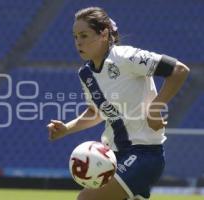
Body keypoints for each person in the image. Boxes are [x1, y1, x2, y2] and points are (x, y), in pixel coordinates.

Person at [47, 7, 190, 200]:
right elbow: (96, 112)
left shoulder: (125, 57)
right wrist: (66, 129)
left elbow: (179, 70)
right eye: (75, 36)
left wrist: (154, 110)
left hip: (144, 154)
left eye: (84, 35)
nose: (78, 42)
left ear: (103, 34)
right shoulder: (86, 74)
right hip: (114, 156)